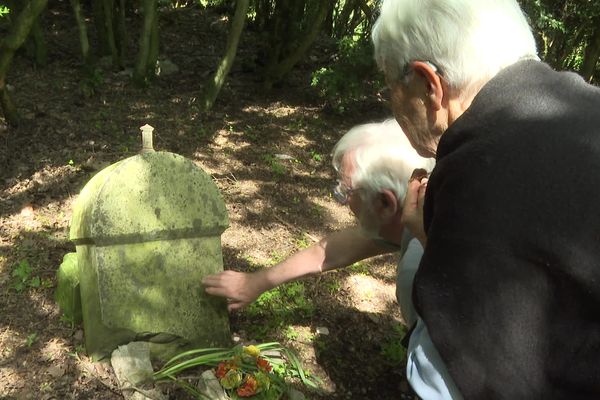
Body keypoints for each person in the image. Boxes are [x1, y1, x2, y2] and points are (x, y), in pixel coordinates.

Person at [372, 0, 600, 398]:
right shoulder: (581, 110)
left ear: (429, 85)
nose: (389, 98)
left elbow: (449, 381)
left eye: (389, 84)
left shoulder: (476, 171)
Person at [202, 119, 461, 398]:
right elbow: (332, 250)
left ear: (386, 203)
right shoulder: (425, 207)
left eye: (346, 192)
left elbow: (447, 376)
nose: (342, 200)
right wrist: (256, 282)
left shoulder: (419, 267)